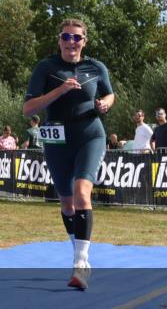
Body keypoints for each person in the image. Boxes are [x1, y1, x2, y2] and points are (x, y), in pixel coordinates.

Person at [23, 18, 115, 291]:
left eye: (77, 38)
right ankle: (78, 251)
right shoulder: (46, 67)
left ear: (84, 41)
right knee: (66, 203)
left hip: (90, 134)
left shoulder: (96, 67)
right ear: (59, 40)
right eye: (66, 37)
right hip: (57, 139)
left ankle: (80, 263)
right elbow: (28, 110)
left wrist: (104, 104)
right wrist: (60, 90)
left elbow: (111, 95)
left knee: (82, 193)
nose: (71, 42)